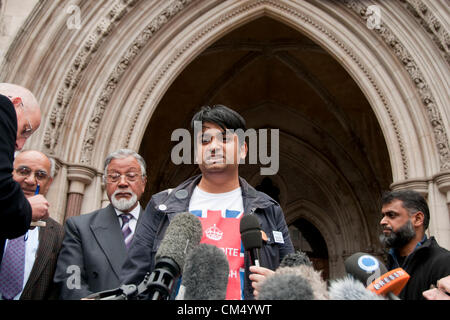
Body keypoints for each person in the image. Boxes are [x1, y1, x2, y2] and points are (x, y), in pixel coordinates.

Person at [121, 104, 294, 300]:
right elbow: (132, 283)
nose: (214, 146)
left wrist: (279, 287)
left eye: (225, 138)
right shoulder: (161, 206)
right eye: (205, 140)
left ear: (243, 150)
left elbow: (297, 283)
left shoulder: (268, 209)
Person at [53, 149, 147, 299]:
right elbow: (70, 282)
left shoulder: (160, 227)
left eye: (131, 176)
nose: (122, 183)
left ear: (143, 182)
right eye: (114, 177)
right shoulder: (80, 228)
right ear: (105, 183)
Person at [0, 150, 64, 300]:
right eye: (24, 171)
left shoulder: (59, 235)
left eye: (40, 175)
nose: (31, 180)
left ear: (49, 183)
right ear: (9, 174)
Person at [0, 83, 50, 264]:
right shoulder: (3, 108)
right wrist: (27, 209)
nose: (19, 145)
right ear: (15, 103)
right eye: (25, 130)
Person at [379, 189, 450, 300]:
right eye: (383, 215)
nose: (383, 221)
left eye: (391, 215)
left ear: (417, 219)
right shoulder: (384, 267)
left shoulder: (444, 262)